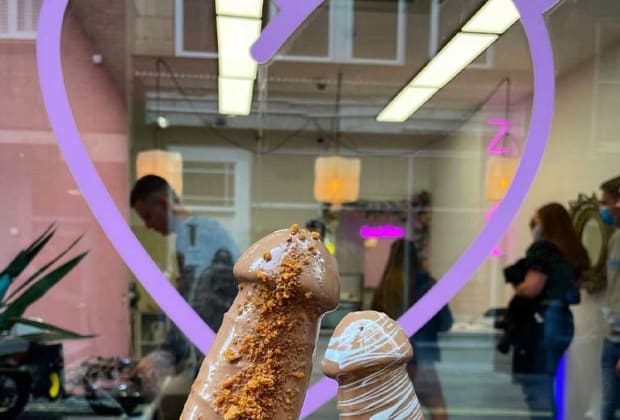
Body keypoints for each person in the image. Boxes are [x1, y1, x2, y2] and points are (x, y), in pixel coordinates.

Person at [129, 175, 240, 396]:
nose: (148, 226)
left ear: (164, 204)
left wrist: (165, 354)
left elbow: (192, 304)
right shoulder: (200, 231)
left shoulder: (194, 233)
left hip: (220, 351)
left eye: (148, 216)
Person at [505, 203, 589, 419]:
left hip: (543, 322)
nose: (533, 227)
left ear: (547, 225)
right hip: (562, 320)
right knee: (547, 382)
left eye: (537, 222)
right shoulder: (570, 252)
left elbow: (531, 288)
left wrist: (517, 283)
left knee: (537, 387)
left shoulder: (543, 250)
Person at [372, 239, 452, 420]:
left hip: (392, 359)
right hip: (423, 357)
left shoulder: (384, 288)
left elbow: (374, 324)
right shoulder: (428, 286)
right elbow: (446, 323)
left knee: (392, 410)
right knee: (437, 406)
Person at [599, 176, 620, 419]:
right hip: (611, 337)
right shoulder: (615, 238)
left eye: (607, 203)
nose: (603, 209)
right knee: (607, 406)